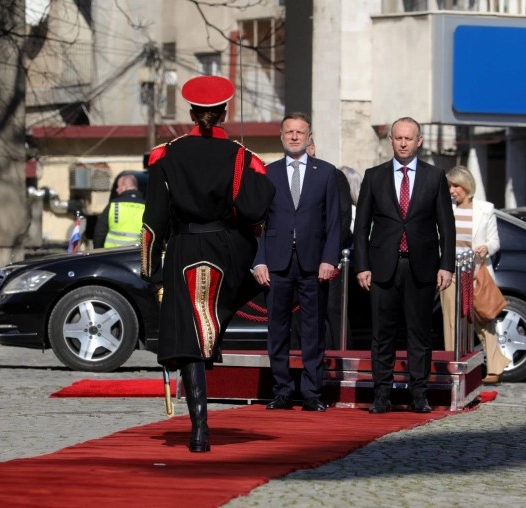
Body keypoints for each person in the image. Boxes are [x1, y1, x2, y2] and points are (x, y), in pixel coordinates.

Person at [141, 76, 275, 452]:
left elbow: (153, 220)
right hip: (225, 248)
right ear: (224, 112)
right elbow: (253, 208)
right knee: (205, 328)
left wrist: (149, 270)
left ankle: (200, 430)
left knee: (188, 337)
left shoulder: (166, 155)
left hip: (184, 248)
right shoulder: (240, 155)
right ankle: (201, 419)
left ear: (191, 113)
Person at [354, 116, 455, 414]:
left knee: (419, 334)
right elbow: (361, 227)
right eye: (398, 138)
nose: (403, 143)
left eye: (408, 138)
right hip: (384, 265)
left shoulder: (435, 177)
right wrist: (362, 265)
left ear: (419, 141)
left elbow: (446, 227)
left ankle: (419, 394)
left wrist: (445, 265)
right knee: (381, 333)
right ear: (391, 140)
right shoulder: (374, 176)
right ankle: (381, 394)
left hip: (421, 266)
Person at [253, 112, 341, 411]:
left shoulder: (326, 172)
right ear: (281, 135)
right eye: (289, 132)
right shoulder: (268, 172)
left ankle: (312, 392)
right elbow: (257, 223)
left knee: (312, 329)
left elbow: (334, 222)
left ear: (309, 136)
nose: (294, 137)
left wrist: (330, 258)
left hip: (314, 263)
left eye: (299, 132)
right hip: (276, 263)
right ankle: (282, 390)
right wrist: (259, 260)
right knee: (277, 330)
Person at [440, 165, 509, 383]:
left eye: (456, 186)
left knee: (482, 318)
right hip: (450, 270)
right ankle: (453, 366)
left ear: (466, 185)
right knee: (450, 320)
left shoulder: (485, 209)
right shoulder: (444, 208)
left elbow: (495, 241)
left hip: (476, 271)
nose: (452, 190)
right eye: (450, 186)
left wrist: (486, 248)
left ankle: (495, 367)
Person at [93, 174, 145, 248]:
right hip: (138, 256)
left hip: (113, 255)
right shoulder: (147, 207)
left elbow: (100, 234)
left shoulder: (113, 205)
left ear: (124, 187)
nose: (117, 189)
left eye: (118, 186)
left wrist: (98, 252)